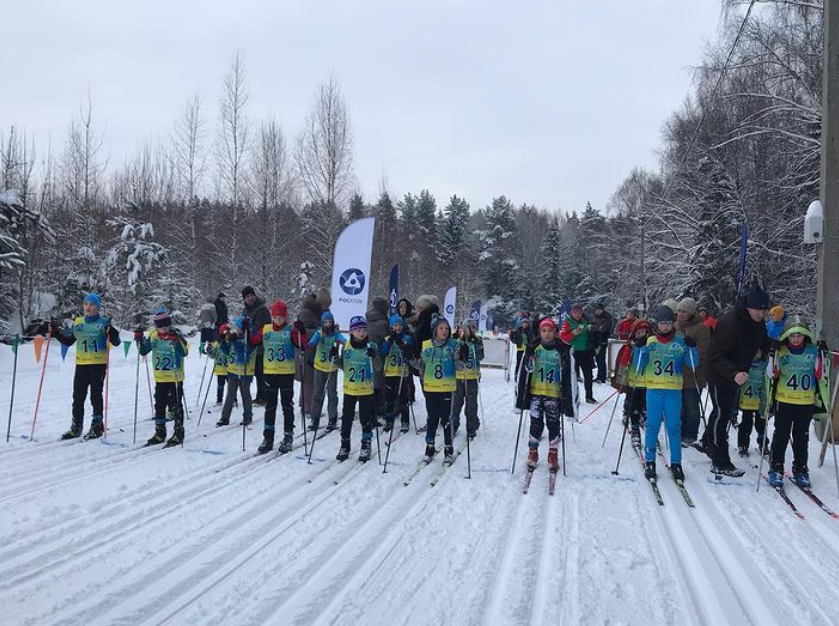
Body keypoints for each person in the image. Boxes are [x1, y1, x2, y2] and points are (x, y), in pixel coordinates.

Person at [698, 286, 770, 476]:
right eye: (758, 309)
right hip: (719, 373)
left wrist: (788, 344)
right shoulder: (731, 323)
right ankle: (719, 459)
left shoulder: (758, 322)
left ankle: (707, 442)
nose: (761, 314)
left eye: (765, 310)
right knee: (723, 414)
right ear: (748, 307)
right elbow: (714, 356)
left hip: (737, 373)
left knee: (723, 410)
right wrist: (733, 373)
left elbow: (764, 341)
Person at [636, 306, 698, 482]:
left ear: (673, 324)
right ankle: (650, 461)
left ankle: (676, 462)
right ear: (657, 324)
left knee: (673, 427)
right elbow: (639, 367)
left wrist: (692, 348)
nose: (665, 326)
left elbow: (693, 364)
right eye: (662, 323)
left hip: (673, 391)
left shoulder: (679, 342)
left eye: (669, 323)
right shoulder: (650, 342)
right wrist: (639, 348)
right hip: (654, 390)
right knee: (653, 425)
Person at [767, 317, 829, 487]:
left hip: (805, 402)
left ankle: (801, 469)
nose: (796, 339)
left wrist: (823, 355)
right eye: (792, 335)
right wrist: (773, 355)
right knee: (781, 435)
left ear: (805, 335)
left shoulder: (812, 351)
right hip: (784, 401)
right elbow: (772, 374)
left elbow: (820, 374)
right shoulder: (782, 351)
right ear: (787, 336)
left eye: (799, 335)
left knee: (802, 437)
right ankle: (776, 468)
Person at [53, 293, 121, 440]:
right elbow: (69, 341)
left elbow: (116, 342)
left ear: (98, 307)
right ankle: (76, 426)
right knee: (78, 396)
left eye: (92, 304)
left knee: (95, 395)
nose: (88, 307)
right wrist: (55, 333)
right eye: (86, 304)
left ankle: (97, 425)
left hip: (98, 364)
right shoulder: (78, 322)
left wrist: (114, 334)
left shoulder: (104, 322)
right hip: (81, 364)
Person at [515, 317, 574, 472]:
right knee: (535, 423)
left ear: (555, 332)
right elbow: (524, 370)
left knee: (554, 424)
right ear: (540, 332)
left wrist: (564, 366)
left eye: (550, 331)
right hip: (536, 392)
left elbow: (569, 374)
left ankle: (553, 454)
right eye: (544, 331)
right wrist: (529, 363)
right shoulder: (534, 348)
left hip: (553, 393)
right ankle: (533, 452)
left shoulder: (561, 350)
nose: (547, 334)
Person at [253, 300, 305, 454]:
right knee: (270, 406)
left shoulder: (290, 330)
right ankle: (268, 437)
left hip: (286, 373)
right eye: (275, 317)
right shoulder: (266, 329)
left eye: (281, 317)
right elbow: (254, 341)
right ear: (272, 316)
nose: (278, 320)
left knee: (287, 405)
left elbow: (302, 344)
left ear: (286, 317)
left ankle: (288, 436)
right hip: (269, 373)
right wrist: (245, 330)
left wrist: (300, 332)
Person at [135, 308, 189, 446]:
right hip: (160, 377)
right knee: (159, 404)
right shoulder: (153, 335)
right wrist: (139, 338)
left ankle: (178, 432)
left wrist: (176, 340)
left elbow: (184, 352)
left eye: (166, 326)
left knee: (176, 404)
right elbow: (143, 351)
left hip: (175, 376)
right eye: (161, 327)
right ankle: (160, 432)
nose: (164, 330)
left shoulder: (175, 334)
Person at [335, 316, 381, 462]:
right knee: (346, 418)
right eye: (358, 330)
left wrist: (374, 357)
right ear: (351, 332)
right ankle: (345, 445)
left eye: (364, 330)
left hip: (366, 389)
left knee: (365, 419)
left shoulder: (371, 346)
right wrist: (335, 359)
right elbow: (344, 366)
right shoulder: (346, 346)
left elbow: (379, 367)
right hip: (350, 389)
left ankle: (366, 445)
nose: (362, 333)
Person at [418, 314, 458, 463]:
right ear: (435, 330)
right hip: (430, 388)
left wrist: (462, 356)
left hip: (447, 388)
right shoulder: (427, 345)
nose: (444, 331)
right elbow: (421, 367)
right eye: (441, 328)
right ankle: (429, 447)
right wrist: (409, 357)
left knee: (447, 420)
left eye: (447, 328)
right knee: (432, 418)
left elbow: (459, 366)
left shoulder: (454, 344)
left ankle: (448, 449)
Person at [675, 297, 711, 448]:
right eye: (679, 311)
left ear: (691, 313)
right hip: (678, 372)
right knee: (680, 405)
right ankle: (681, 432)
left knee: (691, 405)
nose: (681, 314)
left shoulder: (701, 328)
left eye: (685, 312)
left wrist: (693, 347)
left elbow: (706, 350)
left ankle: (691, 434)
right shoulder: (675, 326)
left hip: (694, 373)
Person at [216, 315, 257, 428]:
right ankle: (225, 417)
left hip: (245, 371)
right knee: (230, 394)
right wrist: (223, 342)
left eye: (238, 327)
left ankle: (247, 416)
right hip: (232, 370)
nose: (237, 329)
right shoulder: (235, 336)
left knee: (245, 394)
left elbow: (244, 355)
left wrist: (236, 342)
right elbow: (227, 351)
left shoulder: (250, 339)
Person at [296, 289, 331, 423]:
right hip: (306, 348)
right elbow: (301, 331)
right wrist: (318, 332)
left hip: (315, 348)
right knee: (308, 378)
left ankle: (305, 405)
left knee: (310, 378)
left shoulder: (319, 312)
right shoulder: (307, 312)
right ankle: (307, 407)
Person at [307, 311, 346, 433]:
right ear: (322, 323)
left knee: (332, 393)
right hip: (319, 367)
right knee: (317, 393)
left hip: (331, 368)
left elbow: (345, 341)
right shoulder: (319, 333)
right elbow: (311, 343)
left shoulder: (336, 334)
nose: (328, 324)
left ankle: (332, 418)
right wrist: (318, 337)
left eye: (330, 322)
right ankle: (315, 418)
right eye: (326, 322)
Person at [615, 318, 651, 446]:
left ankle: (643, 420)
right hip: (633, 381)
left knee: (645, 404)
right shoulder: (631, 345)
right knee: (632, 403)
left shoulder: (650, 346)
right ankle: (634, 425)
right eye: (639, 332)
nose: (642, 335)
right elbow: (624, 362)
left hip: (647, 382)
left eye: (645, 332)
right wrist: (631, 349)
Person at [380, 314, 414, 434]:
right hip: (390, 372)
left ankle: (405, 420)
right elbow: (383, 353)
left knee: (403, 397)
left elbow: (409, 353)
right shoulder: (387, 338)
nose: (398, 327)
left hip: (402, 372)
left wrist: (402, 345)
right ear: (391, 327)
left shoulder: (407, 338)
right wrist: (389, 343)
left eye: (399, 325)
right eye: (395, 325)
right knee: (389, 397)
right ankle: (389, 419)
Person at [451, 317, 485, 438]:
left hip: (472, 377)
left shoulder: (478, 340)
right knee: (456, 402)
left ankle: (472, 426)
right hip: (459, 377)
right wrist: (461, 353)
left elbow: (481, 356)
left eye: (473, 327)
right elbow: (454, 357)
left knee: (471, 404)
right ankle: (453, 424)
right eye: (469, 328)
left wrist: (475, 345)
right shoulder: (458, 341)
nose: (471, 330)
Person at [560, 304, 596, 404]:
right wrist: (573, 333)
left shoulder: (584, 322)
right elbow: (562, 337)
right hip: (573, 352)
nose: (577, 315)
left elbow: (588, 332)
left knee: (588, 375)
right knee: (573, 376)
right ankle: (572, 397)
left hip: (585, 352)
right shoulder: (567, 323)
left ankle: (589, 396)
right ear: (571, 313)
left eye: (579, 313)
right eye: (575, 313)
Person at [241, 286, 271, 405]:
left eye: (251, 295)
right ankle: (260, 395)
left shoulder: (261, 309)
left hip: (262, 344)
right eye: (247, 297)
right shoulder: (246, 310)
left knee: (261, 371)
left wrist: (248, 331)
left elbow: (257, 327)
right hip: (252, 344)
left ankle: (263, 396)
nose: (250, 298)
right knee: (257, 372)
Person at [736, 351, 768, 457]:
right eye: (754, 351)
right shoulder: (744, 365)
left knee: (761, 424)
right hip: (746, 401)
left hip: (760, 401)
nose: (755, 354)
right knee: (746, 424)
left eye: (758, 352)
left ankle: (763, 443)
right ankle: (743, 444)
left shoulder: (765, 365)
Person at [366, 297, 390, 417]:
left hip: (368, 353)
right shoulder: (383, 324)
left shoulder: (368, 319)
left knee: (371, 380)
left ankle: (369, 406)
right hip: (380, 354)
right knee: (379, 380)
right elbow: (388, 338)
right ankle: (377, 407)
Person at [207, 323, 232, 405]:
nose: (226, 335)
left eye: (228, 333)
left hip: (230, 369)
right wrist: (209, 351)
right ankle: (219, 400)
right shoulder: (217, 344)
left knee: (231, 386)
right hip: (220, 369)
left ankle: (233, 399)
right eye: (224, 333)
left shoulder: (231, 343)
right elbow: (213, 355)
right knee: (220, 386)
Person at [592, 302, 615, 383]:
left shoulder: (606, 318)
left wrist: (594, 329)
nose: (597, 311)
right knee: (598, 359)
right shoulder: (596, 317)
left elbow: (602, 329)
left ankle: (602, 376)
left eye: (599, 310)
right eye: (596, 310)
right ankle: (599, 375)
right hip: (596, 340)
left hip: (602, 340)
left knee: (601, 359)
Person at [510, 315, 535, 382]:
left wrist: (529, 344)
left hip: (527, 350)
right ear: (522, 323)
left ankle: (525, 376)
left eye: (526, 323)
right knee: (518, 363)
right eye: (524, 323)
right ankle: (516, 375)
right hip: (520, 349)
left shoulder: (530, 331)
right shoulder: (518, 331)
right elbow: (514, 340)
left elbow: (532, 340)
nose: (525, 324)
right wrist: (512, 335)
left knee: (526, 363)